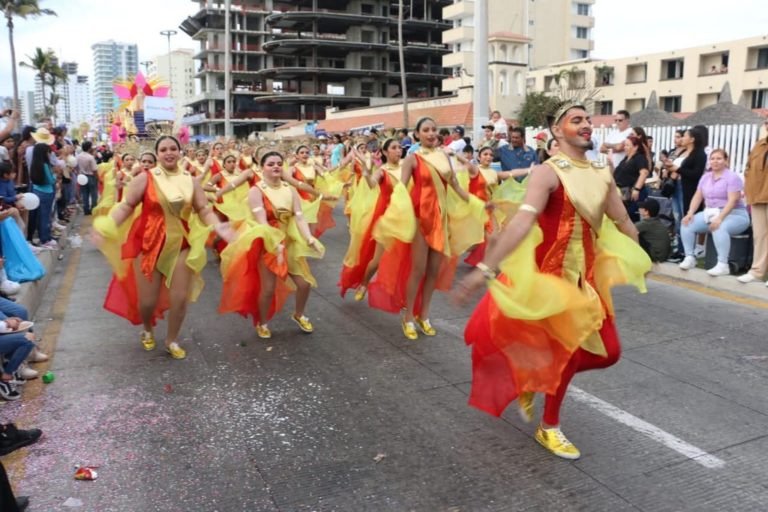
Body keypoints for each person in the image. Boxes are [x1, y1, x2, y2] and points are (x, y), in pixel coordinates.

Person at [455, 100, 650, 460]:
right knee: (566, 353)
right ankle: (550, 427)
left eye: (588, 119)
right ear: (558, 132)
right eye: (576, 120)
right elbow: (522, 222)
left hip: (587, 281)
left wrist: (639, 257)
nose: (586, 124)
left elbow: (622, 221)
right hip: (552, 279)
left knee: (609, 353)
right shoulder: (547, 173)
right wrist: (486, 269)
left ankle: (534, 377)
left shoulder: (600, 172)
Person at [92, 135, 235, 360]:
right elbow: (126, 206)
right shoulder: (145, 179)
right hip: (148, 246)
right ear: (157, 154)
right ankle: (148, 328)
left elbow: (204, 210)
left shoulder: (191, 180)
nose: (169, 153)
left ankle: (172, 340)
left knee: (179, 297)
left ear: (180, 152)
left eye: (173, 149)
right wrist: (107, 226)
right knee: (147, 302)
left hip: (181, 245)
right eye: (163, 149)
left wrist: (219, 227)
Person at [367, 117, 486, 340]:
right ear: (418, 135)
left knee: (433, 272)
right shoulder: (413, 158)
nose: (431, 133)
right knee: (418, 270)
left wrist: (478, 204)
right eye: (426, 130)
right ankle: (409, 317)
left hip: (441, 220)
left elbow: (457, 186)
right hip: (420, 219)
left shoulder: (444, 156)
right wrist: (394, 216)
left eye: (434, 129)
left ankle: (424, 315)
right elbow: (401, 189)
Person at [218, 151, 325, 339]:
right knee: (268, 289)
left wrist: (309, 238)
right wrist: (275, 245)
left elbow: (299, 217)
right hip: (268, 242)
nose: (276, 166)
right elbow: (262, 222)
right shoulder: (256, 191)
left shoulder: (289, 189)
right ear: (261, 167)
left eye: (278, 163)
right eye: (270, 164)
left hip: (289, 241)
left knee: (305, 284)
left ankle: (299, 315)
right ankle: (262, 322)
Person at [339, 139, 415, 301]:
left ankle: (399, 293)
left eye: (399, 147)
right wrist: (366, 173)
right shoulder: (382, 171)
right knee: (377, 260)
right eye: (394, 148)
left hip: (406, 217)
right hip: (386, 218)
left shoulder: (407, 166)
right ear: (385, 152)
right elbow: (372, 184)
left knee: (405, 257)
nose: (398, 150)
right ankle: (364, 284)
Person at [679, 149, 750, 276]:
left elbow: (733, 201)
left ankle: (723, 264)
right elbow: (697, 196)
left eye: (719, 158)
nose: (715, 161)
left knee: (719, 227)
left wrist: (720, 218)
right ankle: (690, 257)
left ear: (726, 161)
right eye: (712, 158)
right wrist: (690, 213)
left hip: (735, 214)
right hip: (711, 212)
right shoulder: (705, 177)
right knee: (686, 223)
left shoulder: (732, 177)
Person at [737, 126, 768, 284]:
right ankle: (757, 272)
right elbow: (748, 168)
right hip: (757, 195)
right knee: (760, 236)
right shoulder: (759, 145)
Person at [612, 134, 650, 222]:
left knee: (631, 217)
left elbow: (644, 173)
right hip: (621, 193)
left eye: (627, 145)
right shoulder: (625, 159)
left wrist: (637, 189)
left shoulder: (639, 158)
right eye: (624, 145)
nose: (624, 147)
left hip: (631, 194)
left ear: (635, 147)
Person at [27, 144, 57, 250]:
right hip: (46, 192)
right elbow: (51, 180)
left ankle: (45, 237)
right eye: (48, 152)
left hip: (37, 191)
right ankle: (45, 239)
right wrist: (55, 176)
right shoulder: (45, 165)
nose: (49, 154)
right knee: (45, 217)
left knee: (40, 217)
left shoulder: (34, 164)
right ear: (44, 153)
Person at [76, 140, 99, 215]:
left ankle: (86, 209)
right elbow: (94, 170)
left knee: (84, 193)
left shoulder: (78, 156)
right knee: (93, 194)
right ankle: (93, 208)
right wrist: (97, 178)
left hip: (82, 177)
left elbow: (76, 167)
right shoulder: (90, 157)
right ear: (89, 148)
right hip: (91, 176)